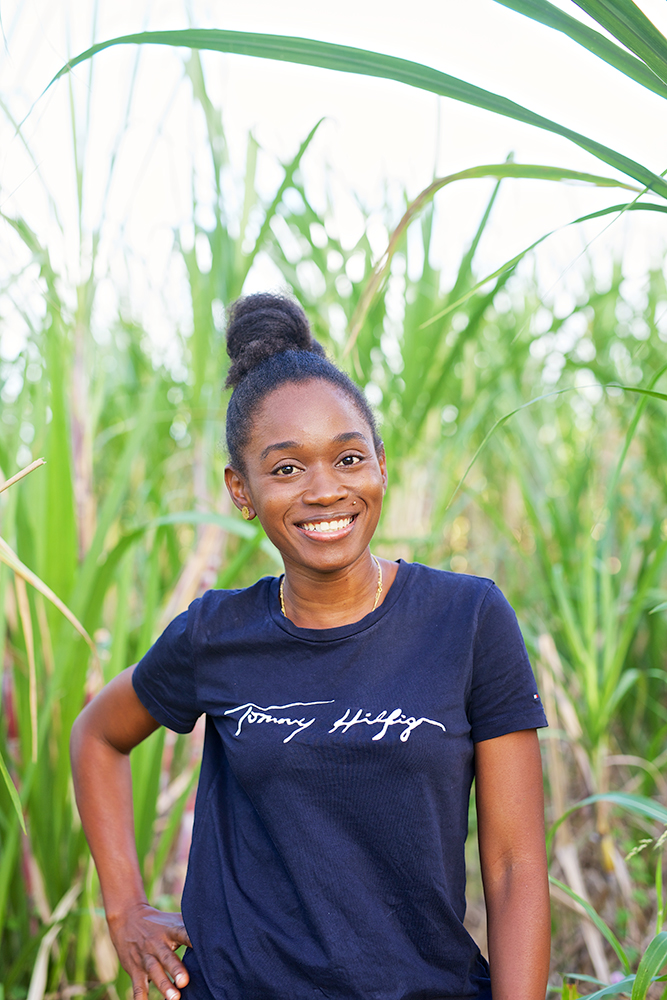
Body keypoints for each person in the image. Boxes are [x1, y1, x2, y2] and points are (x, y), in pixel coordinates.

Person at [70, 293, 550, 1000]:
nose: (325, 490)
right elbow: (97, 737)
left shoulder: (467, 620)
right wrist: (124, 910)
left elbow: (512, 868)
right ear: (241, 489)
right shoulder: (216, 634)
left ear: (380, 466)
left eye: (348, 458)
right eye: (287, 468)